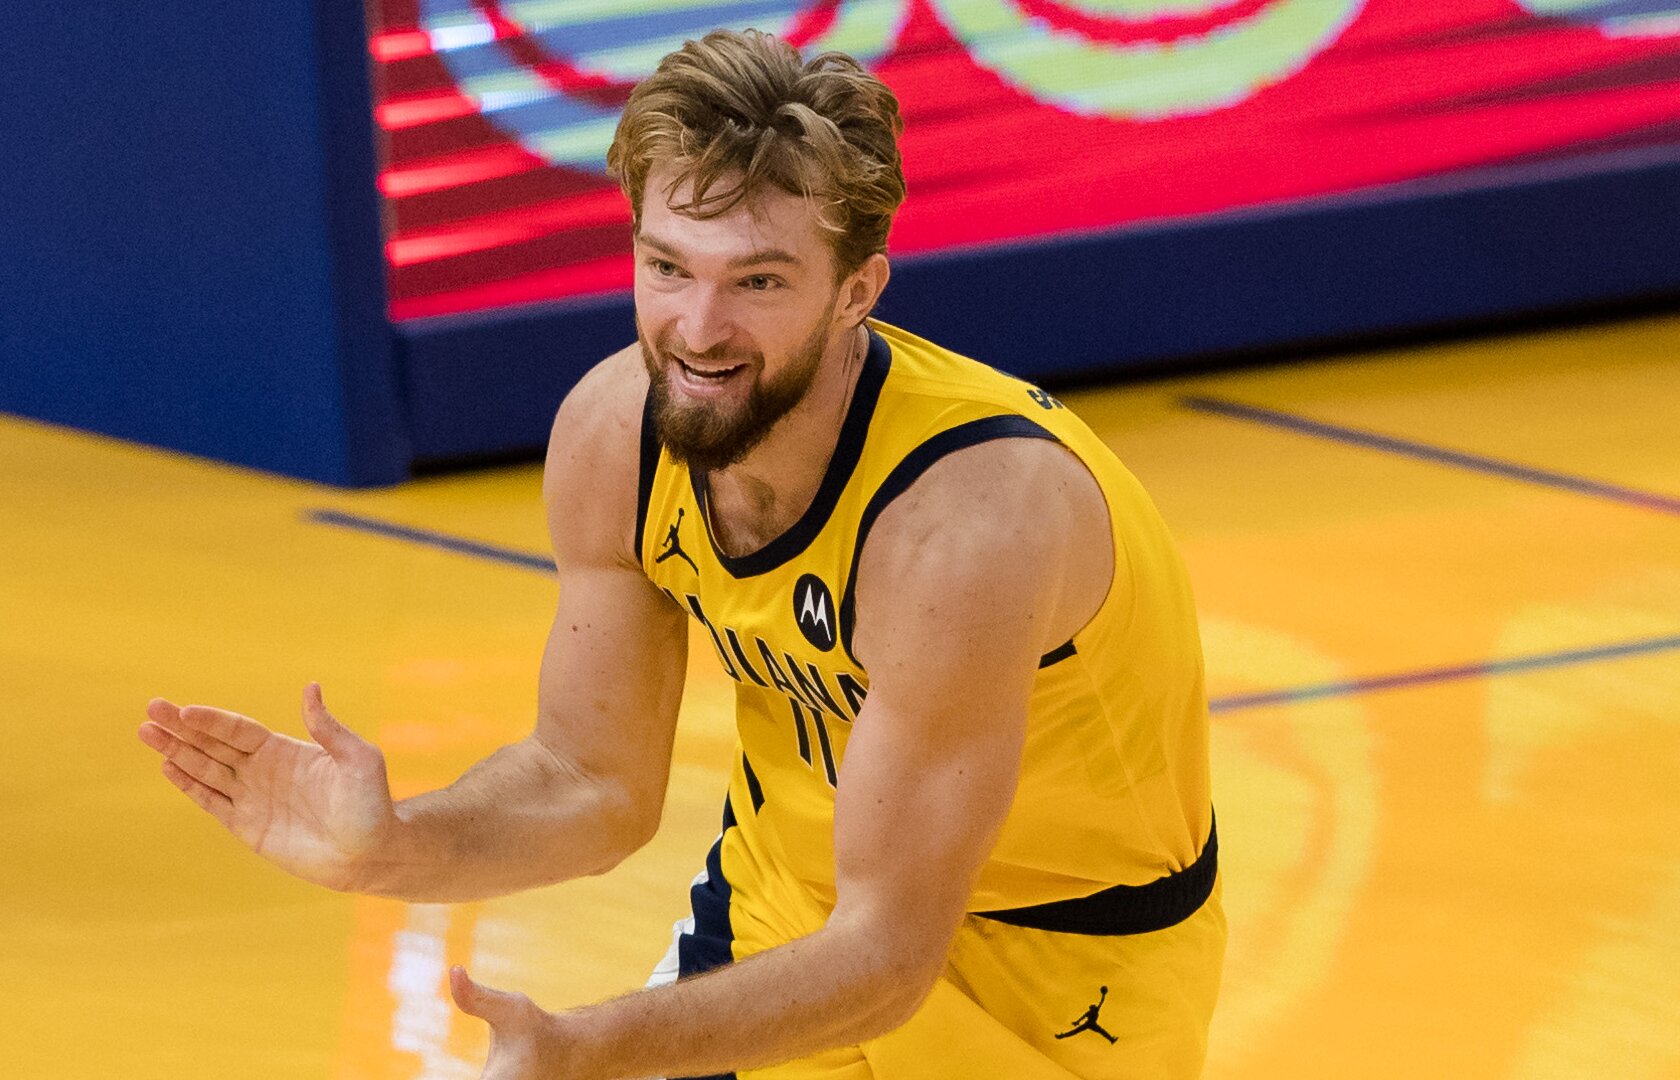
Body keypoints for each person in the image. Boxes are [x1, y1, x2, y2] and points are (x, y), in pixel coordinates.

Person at [138, 28, 1224, 1080]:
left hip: (1062, 973)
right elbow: (593, 780)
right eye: (668, 266)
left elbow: (888, 957)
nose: (698, 331)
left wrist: (586, 1052)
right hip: (787, 905)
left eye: (758, 282)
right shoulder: (616, 434)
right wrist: (390, 848)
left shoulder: (965, 527)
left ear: (857, 292)